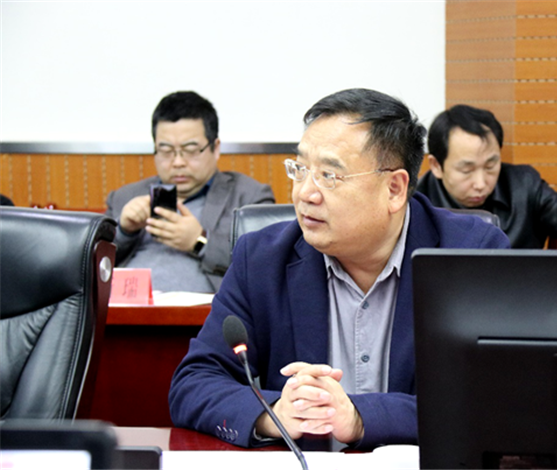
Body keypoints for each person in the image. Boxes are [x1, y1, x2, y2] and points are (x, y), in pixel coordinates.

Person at [168, 88, 510, 451]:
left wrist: (363, 417)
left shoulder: (472, 256)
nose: (305, 193)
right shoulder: (262, 259)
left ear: (394, 189)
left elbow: (499, 399)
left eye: (329, 175)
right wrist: (276, 413)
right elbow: (194, 383)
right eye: (300, 170)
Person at [105, 91, 275, 293]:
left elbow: (266, 261)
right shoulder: (125, 197)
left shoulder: (249, 196)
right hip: (125, 310)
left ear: (215, 148)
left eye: (191, 150)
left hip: (205, 312)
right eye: (166, 150)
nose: (178, 162)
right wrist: (124, 232)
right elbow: (88, 266)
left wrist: (199, 241)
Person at [416, 104, 557, 249]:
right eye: (467, 170)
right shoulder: (415, 203)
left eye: (490, 166)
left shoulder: (523, 187)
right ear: (436, 166)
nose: (480, 183)